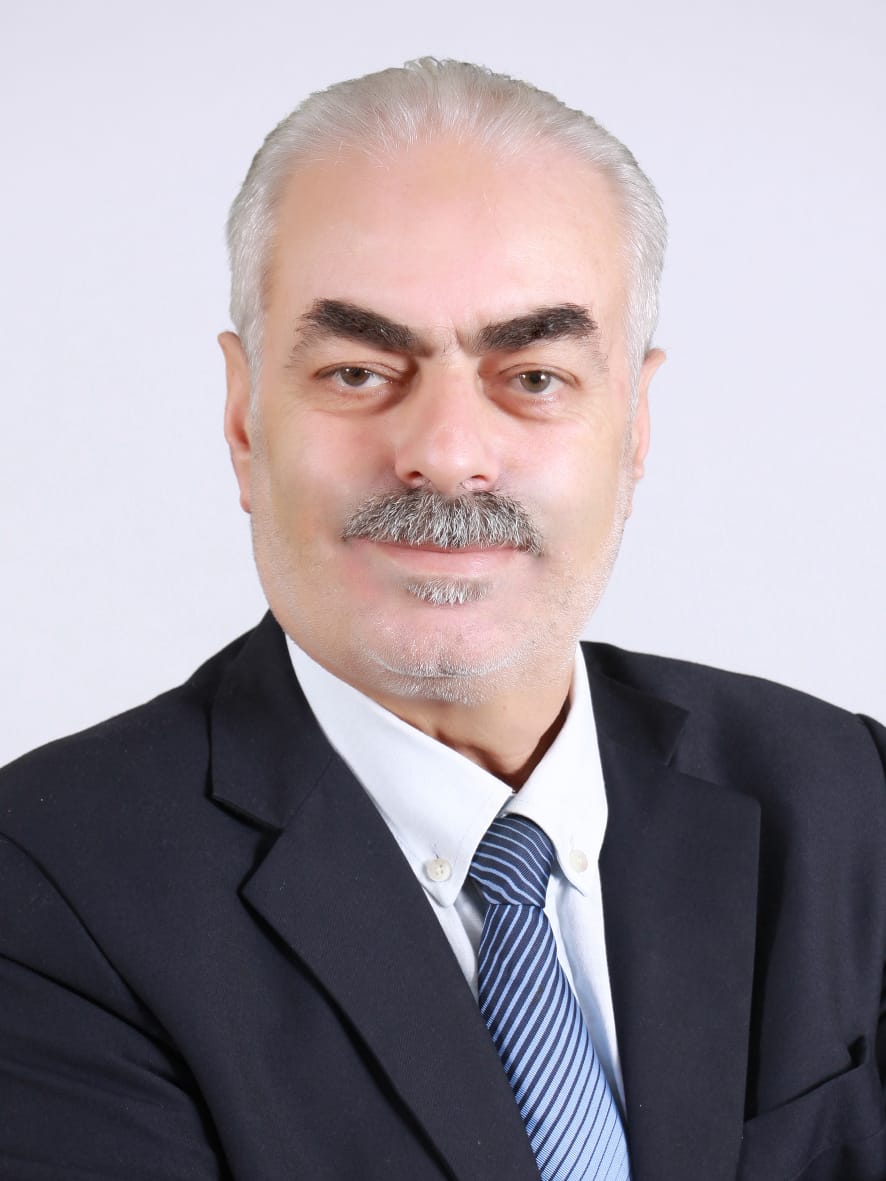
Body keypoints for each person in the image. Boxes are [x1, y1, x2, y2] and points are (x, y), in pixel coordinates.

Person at [1, 57, 884, 1181]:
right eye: (359, 371)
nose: (448, 454)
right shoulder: (45, 891)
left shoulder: (847, 796)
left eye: (535, 376)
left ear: (635, 425)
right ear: (244, 418)